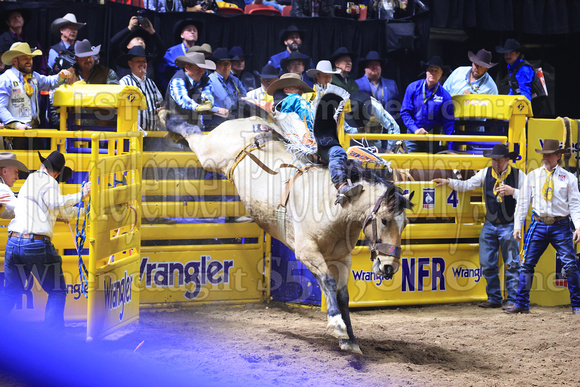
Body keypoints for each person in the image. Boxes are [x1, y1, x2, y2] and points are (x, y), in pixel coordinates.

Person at [0, 151, 91, 328]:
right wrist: (81, 195)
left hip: (13, 242)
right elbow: (56, 204)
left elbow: (59, 210)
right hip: (35, 245)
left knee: (11, 292)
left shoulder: (30, 181)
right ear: (57, 173)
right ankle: (53, 338)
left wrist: (83, 211)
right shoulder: (49, 183)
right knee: (57, 291)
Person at [433, 144, 525, 309]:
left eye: (499, 160)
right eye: (493, 160)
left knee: (512, 263)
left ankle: (512, 300)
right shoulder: (485, 173)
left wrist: (513, 192)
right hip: (490, 224)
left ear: (507, 160)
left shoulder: (519, 175)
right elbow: (467, 185)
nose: (496, 164)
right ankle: (495, 297)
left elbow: (528, 196)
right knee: (487, 262)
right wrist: (448, 181)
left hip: (509, 224)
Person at [506, 139, 580, 315]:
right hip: (538, 223)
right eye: (544, 155)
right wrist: (517, 225)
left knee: (570, 265)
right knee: (526, 264)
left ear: (558, 156)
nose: (545, 158)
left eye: (548, 155)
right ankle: (521, 303)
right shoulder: (532, 175)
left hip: (561, 224)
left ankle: (577, 305)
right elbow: (523, 202)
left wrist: (578, 226)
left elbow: (575, 204)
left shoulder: (569, 178)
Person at [0, 43, 71, 132]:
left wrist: (60, 76)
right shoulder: (6, 79)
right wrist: (16, 125)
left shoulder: (34, 77)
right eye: (25, 58)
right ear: (15, 61)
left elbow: (49, 82)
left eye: (30, 58)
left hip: (34, 128)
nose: (29, 61)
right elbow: (1, 107)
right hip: (15, 131)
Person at [400, 56, 454, 153]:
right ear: (426, 71)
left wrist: (450, 147)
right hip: (413, 133)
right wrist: (415, 129)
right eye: (430, 70)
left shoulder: (445, 96)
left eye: (436, 70)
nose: (433, 73)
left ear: (441, 73)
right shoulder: (412, 88)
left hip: (432, 136)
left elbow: (448, 122)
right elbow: (405, 112)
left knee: (430, 166)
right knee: (410, 164)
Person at [165, 51, 226, 135]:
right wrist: (199, 107)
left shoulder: (205, 80)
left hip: (192, 126)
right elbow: (182, 99)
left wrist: (208, 103)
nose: (201, 71)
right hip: (174, 127)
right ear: (187, 67)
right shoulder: (178, 80)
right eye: (198, 68)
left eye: (203, 68)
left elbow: (207, 94)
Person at [119, 46, 164, 132]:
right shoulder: (124, 83)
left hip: (152, 135)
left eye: (144, 61)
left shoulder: (151, 83)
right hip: (132, 134)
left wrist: (162, 108)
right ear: (130, 64)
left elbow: (161, 103)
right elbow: (119, 110)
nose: (142, 64)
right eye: (138, 61)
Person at [109, 15, 166, 81]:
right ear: (128, 45)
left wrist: (151, 31)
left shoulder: (149, 62)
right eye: (137, 39)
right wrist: (129, 28)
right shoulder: (121, 59)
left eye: (142, 41)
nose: (141, 42)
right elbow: (113, 43)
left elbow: (161, 49)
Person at [158, 19, 203, 92]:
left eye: (195, 30)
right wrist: (170, 90)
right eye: (189, 30)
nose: (192, 32)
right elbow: (162, 75)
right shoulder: (172, 52)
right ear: (182, 35)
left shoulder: (201, 52)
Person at [207, 47, 246, 129]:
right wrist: (218, 110)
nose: (226, 66)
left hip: (235, 125)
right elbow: (202, 106)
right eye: (222, 63)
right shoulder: (209, 81)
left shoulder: (235, 81)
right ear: (216, 65)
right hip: (215, 127)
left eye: (228, 63)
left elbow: (244, 98)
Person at [0, 8, 47, 75]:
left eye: (19, 16)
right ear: (7, 22)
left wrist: (41, 76)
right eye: (13, 16)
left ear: (23, 20)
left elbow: (41, 62)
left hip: (31, 78)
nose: (17, 18)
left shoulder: (32, 40)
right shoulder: (1, 40)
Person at [355, 50, 400, 116]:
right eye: (371, 64)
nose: (374, 67)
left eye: (376, 64)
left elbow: (398, 107)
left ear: (381, 67)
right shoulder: (357, 84)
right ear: (365, 68)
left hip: (389, 124)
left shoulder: (391, 84)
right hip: (366, 124)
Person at [0, 152, 28, 219]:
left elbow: (6, 213)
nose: (17, 177)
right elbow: (22, 209)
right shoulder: (2, 187)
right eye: (15, 172)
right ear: (4, 171)